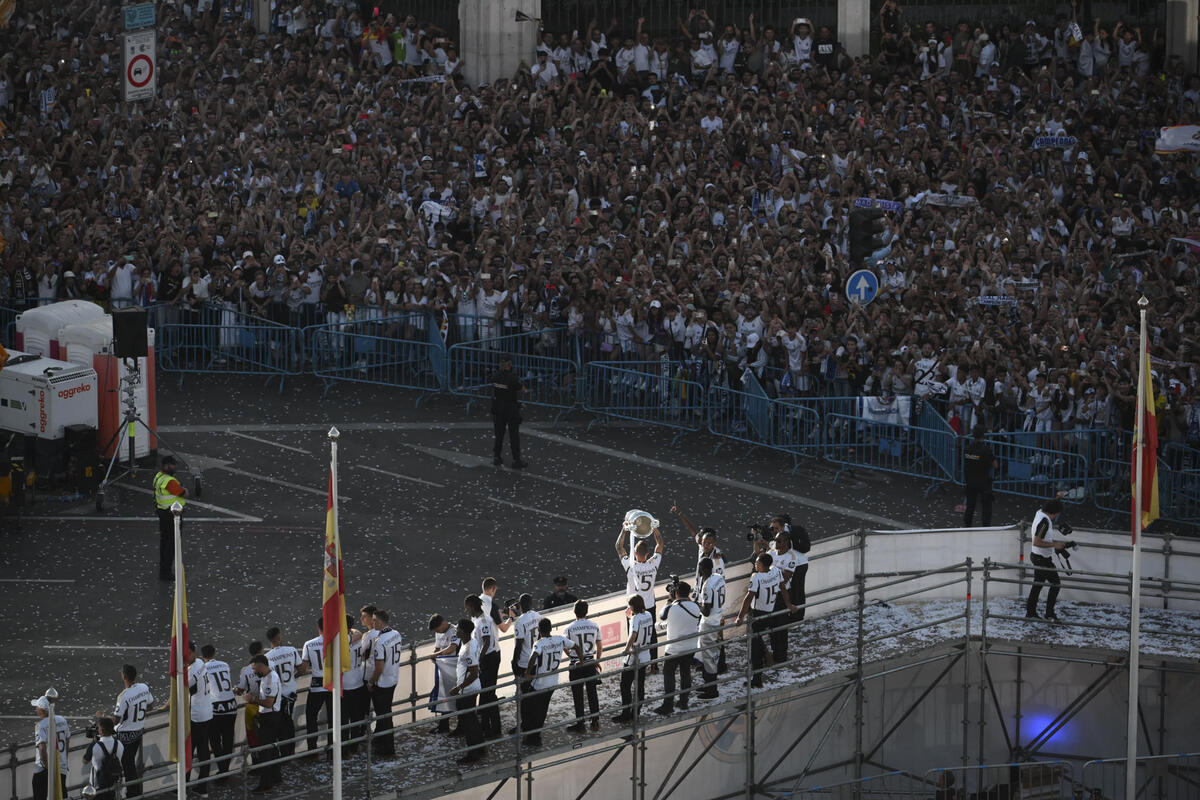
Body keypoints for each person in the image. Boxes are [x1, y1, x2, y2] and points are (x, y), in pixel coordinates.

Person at [735, 553, 798, 688]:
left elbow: (748, 598)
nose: (756, 565)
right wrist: (789, 605)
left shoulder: (757, 577)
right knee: (760, 641)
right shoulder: (775, 571)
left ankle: (757, 677)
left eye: (758, 563)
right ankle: (764, 662)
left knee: (754, 646)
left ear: (763, 565)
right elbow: (783, 588)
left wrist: (740, 616)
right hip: (770, 611)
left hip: (758, 614)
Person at [522, 618, 582, 746]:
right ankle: (534, 735)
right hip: (553, 682)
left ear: (539, 630)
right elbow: (576, 646)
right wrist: (580, 661)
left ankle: (532, 736)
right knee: (542, 709)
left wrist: (527, 673)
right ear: (551, 628)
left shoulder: (539, 643)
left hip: (539, 683)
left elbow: (533, 657)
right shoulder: (560, 639)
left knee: (529, 707)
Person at [616, 525, 665, 669]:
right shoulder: (654, 563)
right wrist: (654, 527)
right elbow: (660, 543)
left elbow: (619, 547)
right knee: (652, 634)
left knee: (634, 634)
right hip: (649, 605)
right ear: (648, 553)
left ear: (634, 553)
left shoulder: (631, 566)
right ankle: (654, 665)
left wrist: (624, 529)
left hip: (633, 607)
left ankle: (634, 662)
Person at [655, 580, 701, 714]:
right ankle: (684, 701)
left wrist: (670, 600)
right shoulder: (696, 606)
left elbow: (661, 616)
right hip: (691, 647)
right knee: (685, 674)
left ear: (675, 593)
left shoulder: (671, 607)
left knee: (669, 675)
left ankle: (668, 705)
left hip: (673, 649)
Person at [754, 527, 799, 663]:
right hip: (770, 592)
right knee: (769, 625)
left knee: (780, 627)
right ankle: (770, 654)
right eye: (776, 540)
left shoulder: (791, 557)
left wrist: (768, 574)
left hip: (781, 594)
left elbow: (785, 577)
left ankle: (781, 656)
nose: (776, 543)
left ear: (786, 542)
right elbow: (759, 560)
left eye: (779, 541)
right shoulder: (772, 552)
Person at [1026, 498, 1071, 621]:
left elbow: (1051, 504)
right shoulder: (1044, 522)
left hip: (1037, 556)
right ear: (1054, 513)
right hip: (1042, 558)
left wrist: (1058, 497)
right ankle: (1049, 613)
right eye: (1057, 514)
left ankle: (1031, 612)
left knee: (1038, 584)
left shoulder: (1039, 512)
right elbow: (1036, 542)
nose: (1056, 517)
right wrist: (1054, 545)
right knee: (1055, 584)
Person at [612, 594, 654, 724]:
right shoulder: (648, 615)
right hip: (645, 654)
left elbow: (634, 635)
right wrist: (630, 618)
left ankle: (626, 714)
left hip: (634, 655)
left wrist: (626, 649)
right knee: (639, 685)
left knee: (625, 685)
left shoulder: (635, 619)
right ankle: (635, 712)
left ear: (633, 606)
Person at [448, 618, 485, 764]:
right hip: (471, 688)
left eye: (458, 629)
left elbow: (474, 672)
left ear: (462, 632)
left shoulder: (468, 648)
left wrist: (459, 688)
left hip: (467, 690)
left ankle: (473, 754)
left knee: (470, 722)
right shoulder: (472, 642)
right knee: (472, 719)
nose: (456, 631)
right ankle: (481, 748)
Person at [113, 664, 153, 796]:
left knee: (126, 764)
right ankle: (132, 791)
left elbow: (116, 719)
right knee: (130, 764)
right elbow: (150, 705)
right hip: (138, 732)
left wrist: (104, 720)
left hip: (124, 735)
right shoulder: (144, 687)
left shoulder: (123, 696)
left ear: (123, 677)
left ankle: (131, 792)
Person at [265, 626, 306, 757]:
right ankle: (290, 750)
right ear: (278, 637)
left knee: (279, 724)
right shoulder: (291, 650)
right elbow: (302, 670)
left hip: (277, 696)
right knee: (288, 723)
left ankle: (283, 752)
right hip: (291, 694)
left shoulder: (267, 658)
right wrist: (293, 677)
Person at [563, 600, 604, 732]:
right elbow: (599, 646)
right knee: (592, 692)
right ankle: (595, 721)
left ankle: (580, 724)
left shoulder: (569, 628)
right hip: (590, 662)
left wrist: (571, 655)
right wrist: (597, 660)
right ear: (586, 612)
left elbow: (565, 646)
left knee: (578, 695)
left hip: (576, 664)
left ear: (574, 611)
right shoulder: (594, 625)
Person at [465, 594, 501, 739]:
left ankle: (495, 728)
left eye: (467, 609)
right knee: (485, 693)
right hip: (486, 658)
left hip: (489, 659)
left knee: (489, 694)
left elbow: (486, 641)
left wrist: (479, 659)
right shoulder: (478, 619)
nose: (467, 612)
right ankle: (486, 725)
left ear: (473, 607)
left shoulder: (484, 621)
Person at [367, 609, 403, 756]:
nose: (372, 622)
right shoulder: (396, 634)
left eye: (374, 620)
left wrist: (371, 682)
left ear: (380, 622)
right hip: (393, 678)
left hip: (382, 684)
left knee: (384, 715)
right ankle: (381, 741)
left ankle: (388, 749)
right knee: (385, 713)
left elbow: (379, 667)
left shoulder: (379, 641)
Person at [245, 655, 282, 793]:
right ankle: (276, 777)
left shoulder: (269, 681)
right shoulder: (271, 675)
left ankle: (266, 784)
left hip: (269, 717)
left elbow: (268, 703)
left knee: (265, 751)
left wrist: (252, 699)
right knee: (272, 748)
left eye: (255, 669)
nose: (254, 672)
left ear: (261, 666)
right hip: (272, 715)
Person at [201, 645, 237, 778]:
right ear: (215, 654)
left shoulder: (202, 668)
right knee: (228, 740)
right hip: (231, 705)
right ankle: (224, 769)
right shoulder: (224, 664)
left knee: (215, 741)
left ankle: (223, 770)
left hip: (216, 707)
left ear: (202, 657)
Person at [695, 558, 725, 699]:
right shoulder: (719, 577)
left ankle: (712, 690)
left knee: (708, 657)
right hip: (718, 619)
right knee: (711, 655)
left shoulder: (707, 585)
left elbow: (706, 610)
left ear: (702, 569)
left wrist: (697, 605)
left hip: (709, 623)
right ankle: (708, 685)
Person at [154, 455, 187, 580]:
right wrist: (184, 491)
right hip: (172, 515)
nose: (175, 467)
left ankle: (164, 569)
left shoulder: (159, 477)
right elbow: (182, 492)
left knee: (164, 541)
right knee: (171, 543)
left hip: (162, 512)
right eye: (173, 465)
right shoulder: (169, 481)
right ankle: (166, 571)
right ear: (166, 466)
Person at [490, 354, 526, 468]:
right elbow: (522, 389)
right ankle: (516, 459)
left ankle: (496, 456)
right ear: (510, 365)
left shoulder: (495, 376)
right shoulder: (512, 378)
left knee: (499, 434)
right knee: (514, 435)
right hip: (510, 408)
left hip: (498, 407)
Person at [187, 642, 214, 794]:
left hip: (196, 716)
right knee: (204, 751)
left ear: (191, 652)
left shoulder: (191, 672)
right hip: (207, 712)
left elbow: (183, 690)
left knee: (189, 752)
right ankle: (202, 786)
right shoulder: (199, 662)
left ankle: (185, 785)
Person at [302, 618, 332, 755]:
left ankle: (312, 750)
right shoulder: (335, 642)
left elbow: (302, 669)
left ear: (317, 627)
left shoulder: (309, 644)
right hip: (332, 684)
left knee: (311, 716)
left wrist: (311, 671)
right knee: (333, 717)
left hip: (316, 686)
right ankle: (332, 748)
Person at [32, 695, 69, 800]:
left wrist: (48, 767)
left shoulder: (40, 726)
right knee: (61, 795)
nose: (36, 709)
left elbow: (42, 748)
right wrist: (65, 760)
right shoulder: (62, 720)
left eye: (37, 707)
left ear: (42, 710)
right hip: (61, 765)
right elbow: (67, 740)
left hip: (45, 768)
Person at [429, 614, 460, 734]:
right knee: (443, 697)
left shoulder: (455, 631)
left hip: (453, 668)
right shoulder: (439, 633)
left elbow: (452, 648)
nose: (438, 632)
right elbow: (437, 648)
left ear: (443, 624)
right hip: (443, 668)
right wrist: (435, 655)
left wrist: (437, 655)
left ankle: (456, 726)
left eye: (438, 630)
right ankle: (443, 725)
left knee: (452, 697)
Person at [963, 425, 997, 527]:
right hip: (983, 481)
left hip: (970, 480)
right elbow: (995, 465)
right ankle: (986, 527)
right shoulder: (986, 449)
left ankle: (967, 525)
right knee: (986, 506)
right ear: (983, 435)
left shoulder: (968, 448)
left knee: (970, 505)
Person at [83, 716, 124, 800]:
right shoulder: (119, 744)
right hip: (114, 784)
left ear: (100, 730)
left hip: (98, 786)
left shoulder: (95, 746)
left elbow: (85, 761)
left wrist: (93, 742)